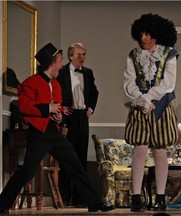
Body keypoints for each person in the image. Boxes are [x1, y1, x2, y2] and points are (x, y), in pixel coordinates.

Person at [0, 43, 114, 214]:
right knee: (27, 171)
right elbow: (25, 107)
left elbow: (58, 107)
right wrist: (48, 109)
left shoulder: (57, 84)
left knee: (76, 166)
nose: (62, 64)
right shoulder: (30, 83)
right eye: (60, 61)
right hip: (38, 134)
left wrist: (58, 116)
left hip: (54, 134)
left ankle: (94, 203)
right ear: (52, 64)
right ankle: (2, 203)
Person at [123, 13, 178, 212]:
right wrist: (139, 99)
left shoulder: (169, 54)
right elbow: (129, 82)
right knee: (139, 149)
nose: (143, 38)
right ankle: (136, 196)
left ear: (156, 35)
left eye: (147, 34)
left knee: (160, 151)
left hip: (161, 106)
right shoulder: (133, 55)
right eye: (141, 34)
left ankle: (160, 197)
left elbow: (168, 83)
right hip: (139, 107)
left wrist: (149, 98)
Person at [57, 43, 99, 207]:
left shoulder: (88, 73)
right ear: (70, 56)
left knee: (81, 157)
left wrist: (91, 108)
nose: (82, 57)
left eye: (84, 54)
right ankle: (64, 197)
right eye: (79, 54)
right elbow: (54, 92)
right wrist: (60, 108)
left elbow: (94, 92)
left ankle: (80, 198)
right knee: (67, 158)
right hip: (68, 117)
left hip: (82, 117)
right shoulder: (61, 72)